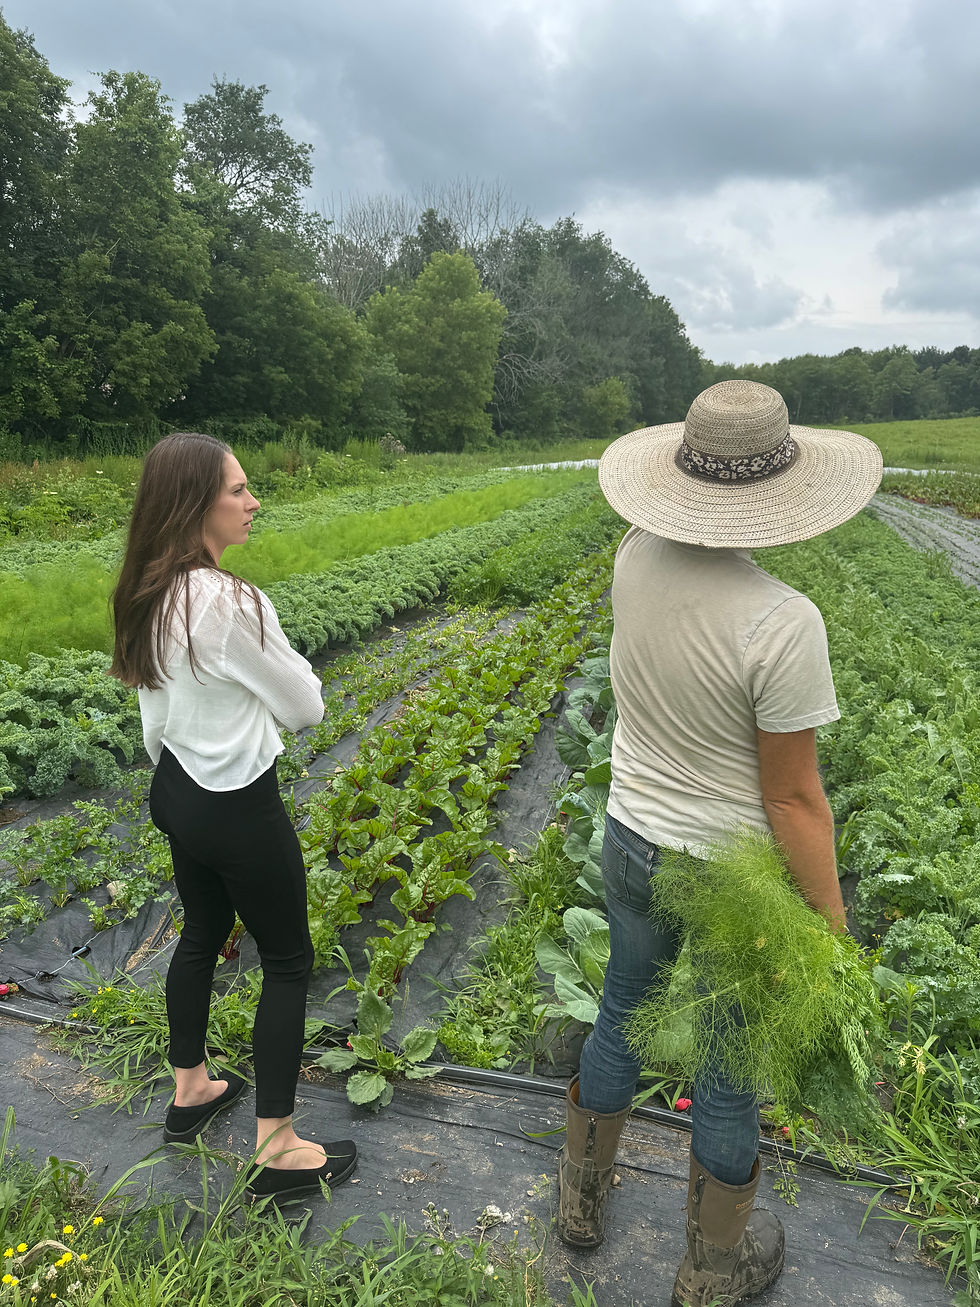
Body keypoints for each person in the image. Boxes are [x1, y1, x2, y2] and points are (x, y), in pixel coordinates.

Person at [557, 381, 882, 1306]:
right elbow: (793, 799)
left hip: (629, 835)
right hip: (721, 870)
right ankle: (709, 1270)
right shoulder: (784, 622)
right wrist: (831, 925)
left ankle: (579, 1207)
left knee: (621, 1007)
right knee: (730, 1064)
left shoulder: (633, 555)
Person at [111, 431, 357, 1203]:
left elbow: (154, 714)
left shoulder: (145, 589)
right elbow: (308, 705)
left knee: (198, 934)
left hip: (178, 790)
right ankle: (277, 1148)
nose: (254, 502)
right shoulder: (229, 603)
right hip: (239, 803)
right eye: (238, 491)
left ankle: (190, 1090)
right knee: (287, 960)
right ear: (194, 504)